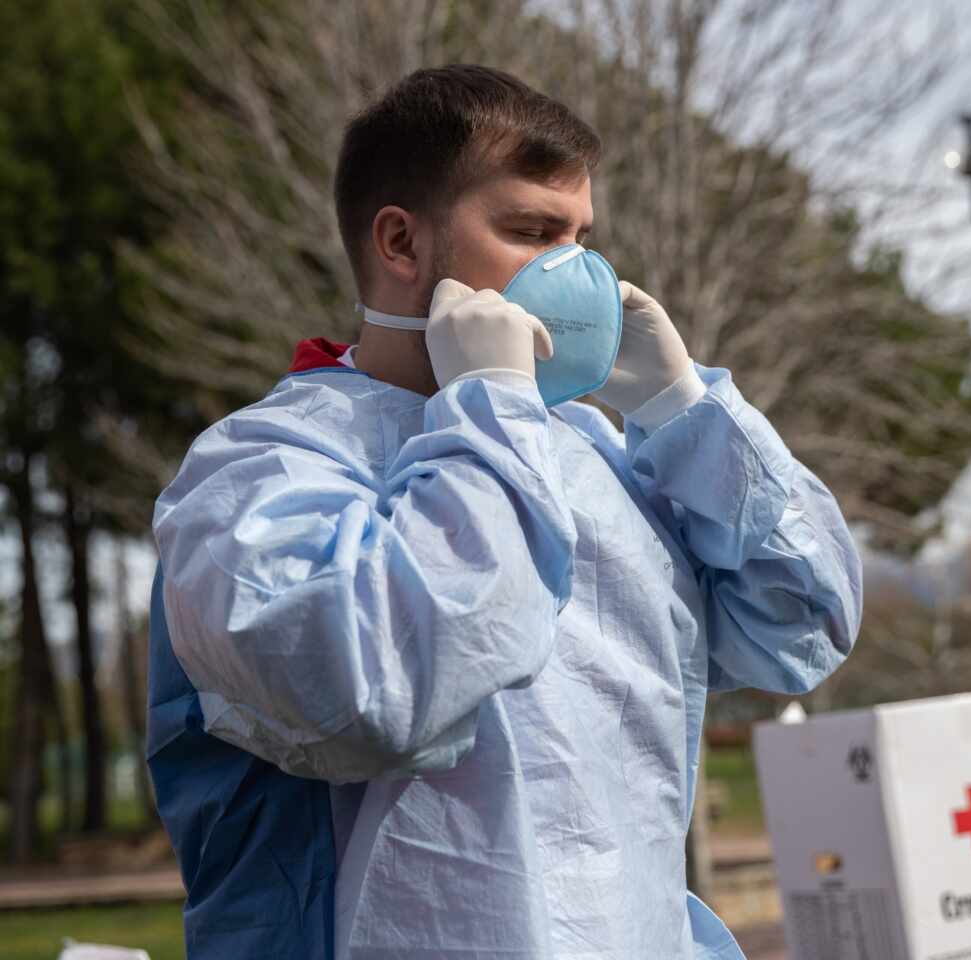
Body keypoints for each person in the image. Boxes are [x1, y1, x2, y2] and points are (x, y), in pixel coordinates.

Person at [146, 65, 862, 960]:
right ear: (403, 245)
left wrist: (687, 414)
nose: (578, 271)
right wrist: (491, 406)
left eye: (583, 238)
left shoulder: (591, 451)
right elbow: (383, 691)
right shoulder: (256, 472)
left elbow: (804, 627)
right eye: (531, 232)